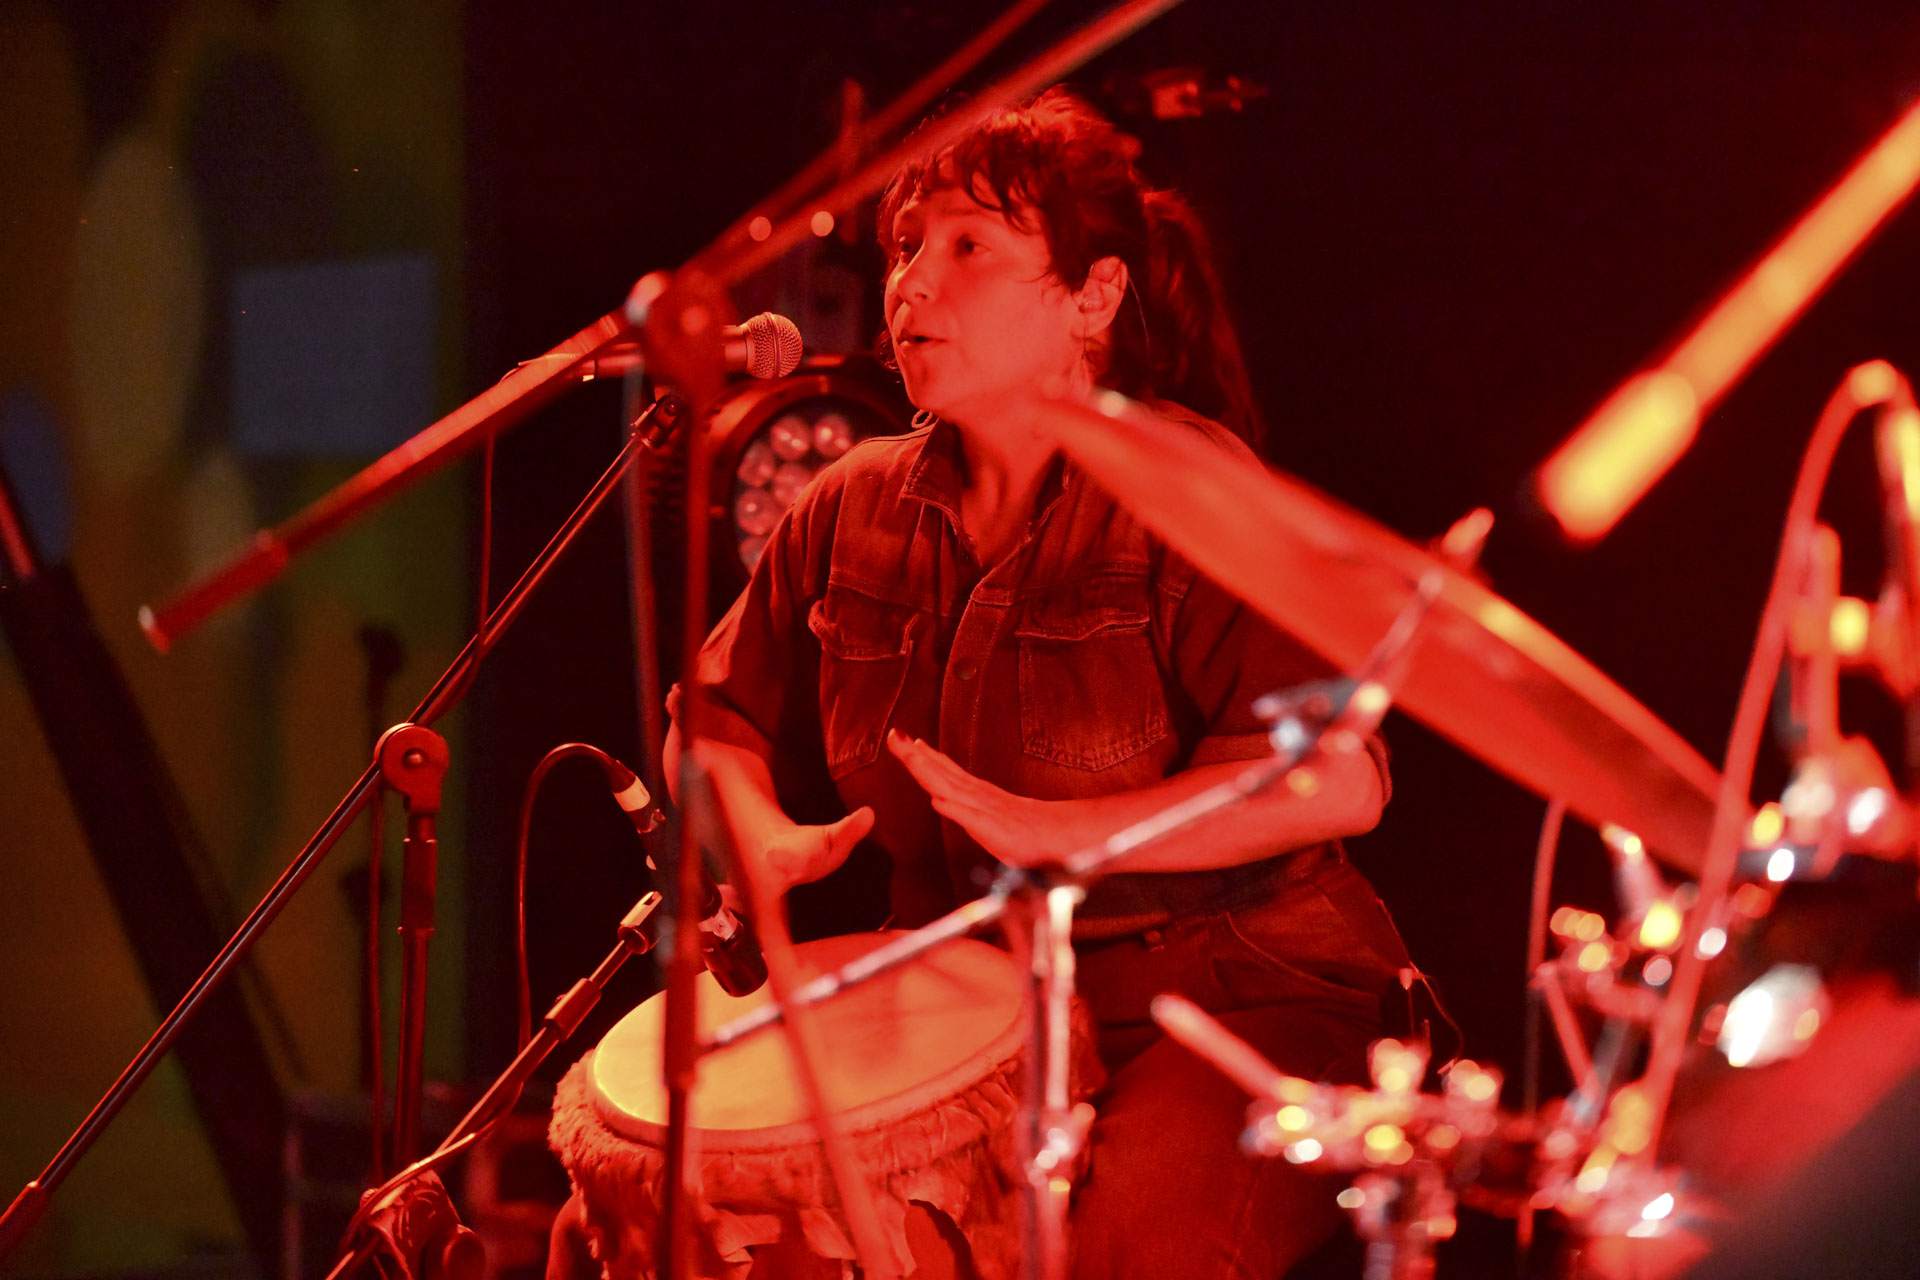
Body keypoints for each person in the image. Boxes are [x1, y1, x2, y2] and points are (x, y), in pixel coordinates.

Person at [570, 88, 1414, 1279]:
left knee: (1121, 1244)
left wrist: (1065, 832)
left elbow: (1337, 778)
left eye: (970, 247)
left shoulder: (1192, 489)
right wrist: (757, 830)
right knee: (651, 1214)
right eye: (907, 246)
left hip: (1224, 989)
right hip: (962, 990)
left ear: (1093, 297)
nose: (913, 283)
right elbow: (715, 715)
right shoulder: (849, 503)